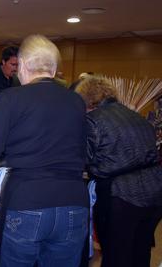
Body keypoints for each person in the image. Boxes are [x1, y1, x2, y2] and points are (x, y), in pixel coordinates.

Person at [0, 35, 89, 267]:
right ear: (54, 67)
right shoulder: (76, 101)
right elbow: (84, 152)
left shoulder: (11, 97)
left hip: (27, 199)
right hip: (74, 200)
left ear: (25, 64)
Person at [75, 76, 162, 267]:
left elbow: (83, 159)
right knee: (141, 249)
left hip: (121, 195)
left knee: (116, 254)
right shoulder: (137, 116)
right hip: (155, 192)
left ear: (87, 100)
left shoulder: (92, 121)